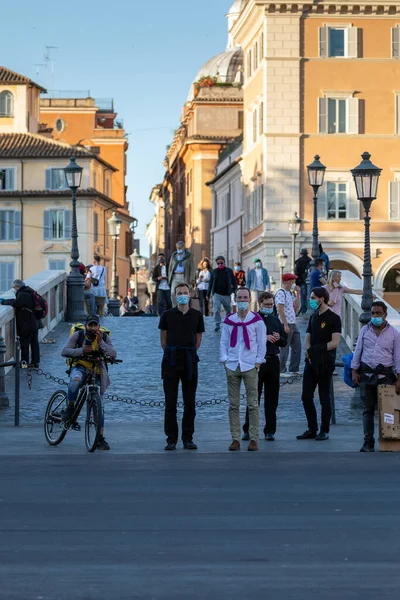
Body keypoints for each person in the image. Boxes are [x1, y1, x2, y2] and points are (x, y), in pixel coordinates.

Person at [159, 282, 205, 451]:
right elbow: (163, 339)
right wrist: (172, 352)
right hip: (171, 361)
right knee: (170, 402)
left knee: (190, 402)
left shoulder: (197, 315)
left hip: (190, 361)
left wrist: (190, 351)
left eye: (185, 292)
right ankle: (171, 439)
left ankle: (188, 438)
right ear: (175, 296)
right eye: (179, 293)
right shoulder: (167, 315)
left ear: (190, 294)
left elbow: (199, 337)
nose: (182, 295)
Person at [220, 287, 266, 452]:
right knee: (233, 405)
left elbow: (261, 343)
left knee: (253, 404)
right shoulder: (229, 320)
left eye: (245, 298)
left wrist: (258, 361)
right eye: (239, 298)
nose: (242, 301)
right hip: (232, 365)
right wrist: (224, 360)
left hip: (250, 365)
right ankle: (235, 438)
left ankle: (254, 438)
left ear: (250, 300)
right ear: (235, 300)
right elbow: (224, 341)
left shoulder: (257, 320)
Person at [60, 314, 117, 450]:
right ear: (86, 326)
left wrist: (101, 343)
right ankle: (71, 406)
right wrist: (81, 351)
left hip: (96, 371)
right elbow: (64, 351)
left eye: (94, 325)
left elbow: (113, 354)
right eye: (90, 325)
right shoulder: (78, 336)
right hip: (80, 368)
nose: (92, 328)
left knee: (99, 406)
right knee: (75, 381)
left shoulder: (103, 337)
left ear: (98, 326)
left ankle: (100, 438)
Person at [351, 301, 400, 452]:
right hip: (366, 374)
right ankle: (368, 441)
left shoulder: (394, 334)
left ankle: (389, 439)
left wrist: (399, 378)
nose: (375, 316)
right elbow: (358, 351)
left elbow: (398, 356)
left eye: (378, 313)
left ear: (385, 314)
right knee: (368, 409)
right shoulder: (365, 331)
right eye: (373, 313)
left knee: (388, 410)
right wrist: (354, 371)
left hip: (385, 376)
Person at [297, 287, 341, 442]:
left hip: (325, 362)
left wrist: (318, 350)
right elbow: (307, 336)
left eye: (313, 298)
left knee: (324, 398)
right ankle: (312, 428)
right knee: (306, 396)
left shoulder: (334, 318)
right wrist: (309, 351)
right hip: (311, 362)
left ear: (322, 299)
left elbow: (335, 342)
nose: (311, 300)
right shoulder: (314, 317)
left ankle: (324, 430)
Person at [242, 292, 288, 442]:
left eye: (271, 304)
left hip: (273, 360)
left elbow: (284, 341)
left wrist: (278, 338)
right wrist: (264, 338)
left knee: (272, 398)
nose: (269, 306)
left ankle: (270, 430)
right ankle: (248, 429)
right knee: (254, 397)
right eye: (267, 304)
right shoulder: (253, 319)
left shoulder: (275, 320)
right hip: (257, 362)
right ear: (260, 304)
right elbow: (247, 339)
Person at [0, 279, 40, 368]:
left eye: (14, 287)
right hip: (33, 322)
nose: (14, 289)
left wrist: (3, 302)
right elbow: (18, 301)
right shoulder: (29, 291)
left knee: (25, 342)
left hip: (26, 323)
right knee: (34, 343)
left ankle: (24, 363)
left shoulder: (23, 294)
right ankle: (35, 362)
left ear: (18, 286)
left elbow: (16, 303)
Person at [275, 273, 301, 377]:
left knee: (297, 346)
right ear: (288, 282)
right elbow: (280, 309)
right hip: (284, 323)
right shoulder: (281, 293)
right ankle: (281, 370)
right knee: (284, 348)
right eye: (293, 281)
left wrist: (298, 293)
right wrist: (285, 325)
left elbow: (297, 306)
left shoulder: (289, 293)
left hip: (292, 322)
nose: (294, 283)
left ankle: (294, 369)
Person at [207, 256, 237, 332]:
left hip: (227, 294)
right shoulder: (214, 271)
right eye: (218, 263)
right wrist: (208, 294)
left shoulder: (229, 271)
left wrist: (235, 291)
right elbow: (210, 283)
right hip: (216, 294)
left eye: (221, 263)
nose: (220, 264)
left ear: (224, 262)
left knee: (228, 310)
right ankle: (217, 323)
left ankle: (228, 322)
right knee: (216, 309)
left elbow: (234, 282)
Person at [168, 241, 195, 307]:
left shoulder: (188, 256)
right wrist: (169, 277)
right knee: (173, 293)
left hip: (185, 276)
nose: (178, 249)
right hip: (175, 276)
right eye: (177, 248)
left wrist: (192, 279)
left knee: (185, 293)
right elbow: (170, 267)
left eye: (180, 248)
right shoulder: (174, 256)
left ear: (183, 248)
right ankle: (175, 308)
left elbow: (192, 267)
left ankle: (185, 308)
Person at [295, 248, 311, 317]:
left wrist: (297, 283)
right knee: (309, 296)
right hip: (308, 281)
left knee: (303, 297)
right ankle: (307, 309)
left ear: (301, 254)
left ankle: (304, 310)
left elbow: (296, 273)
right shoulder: (310, 261)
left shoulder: (299, 262)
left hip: (301, 281)